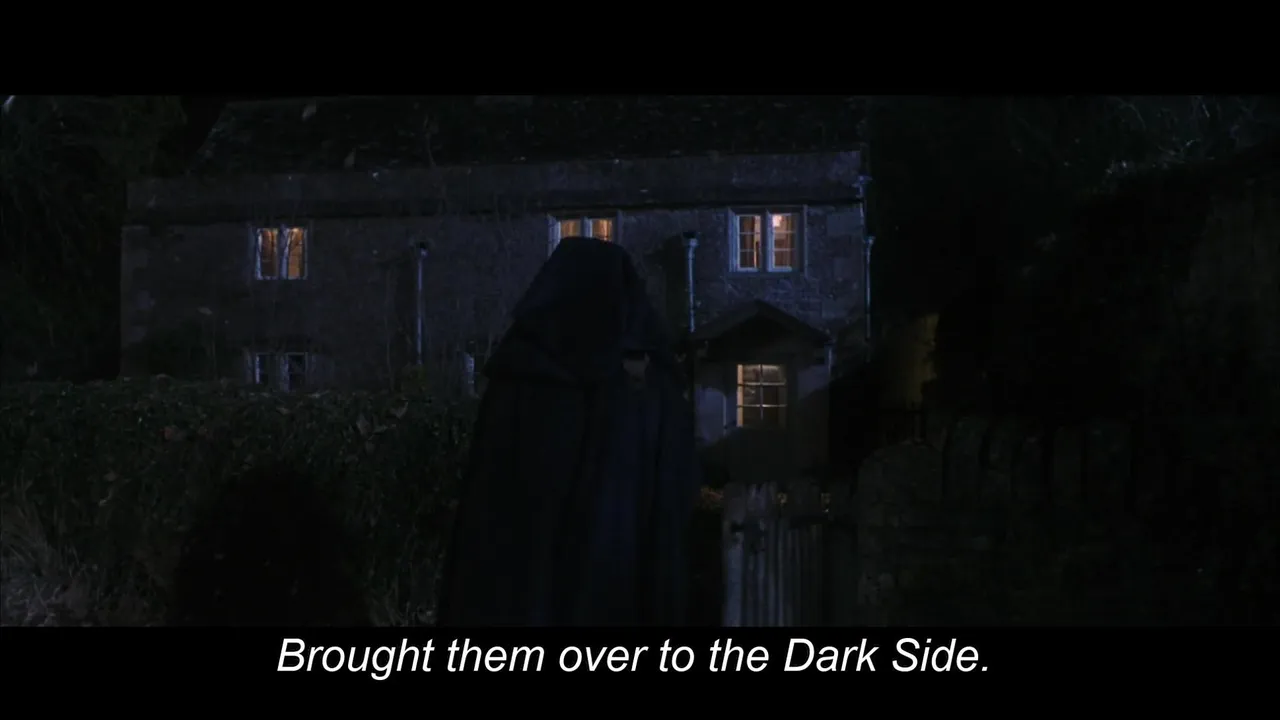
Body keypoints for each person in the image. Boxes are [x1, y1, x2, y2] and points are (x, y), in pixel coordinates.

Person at [436, 237, 699, 626]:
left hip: (524, 597)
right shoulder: (650, 388)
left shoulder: (518, 377)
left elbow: (485, 508)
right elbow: (675, 498)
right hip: (617, 592)